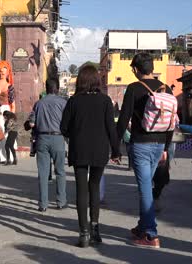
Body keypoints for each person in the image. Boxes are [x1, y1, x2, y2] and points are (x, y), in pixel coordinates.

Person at [116, 53, 174, 249]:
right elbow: (172, 122)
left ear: (135, 69)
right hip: (159, 143)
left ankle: (150, 234)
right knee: (146, 185)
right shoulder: (165, 88)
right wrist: (166, 147)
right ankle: (142, 226)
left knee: (144, 188)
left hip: (140, 143)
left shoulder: (133, 89)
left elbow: (123, 119)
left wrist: (115, 146)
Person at [61, 65, 120, 248]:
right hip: (99, 150)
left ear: (80, 81)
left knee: (81, 189)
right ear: (96, 80)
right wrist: (116, 151)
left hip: (79, 149)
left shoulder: (74, 101)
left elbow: (63, 128)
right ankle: (95, 229)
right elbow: (112, 128)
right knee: (94, 187)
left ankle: (83, 233)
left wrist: (76, 132)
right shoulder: (105, 101)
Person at [29, 79, 67, 212]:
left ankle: (43, 204)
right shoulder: (63, 103)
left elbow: (32, 123)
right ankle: (61, 201)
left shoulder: (38, 104)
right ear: (57, 88)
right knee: (60, 171)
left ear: (46, 88)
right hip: (58, 138)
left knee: (43, 173)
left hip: (42, 138)